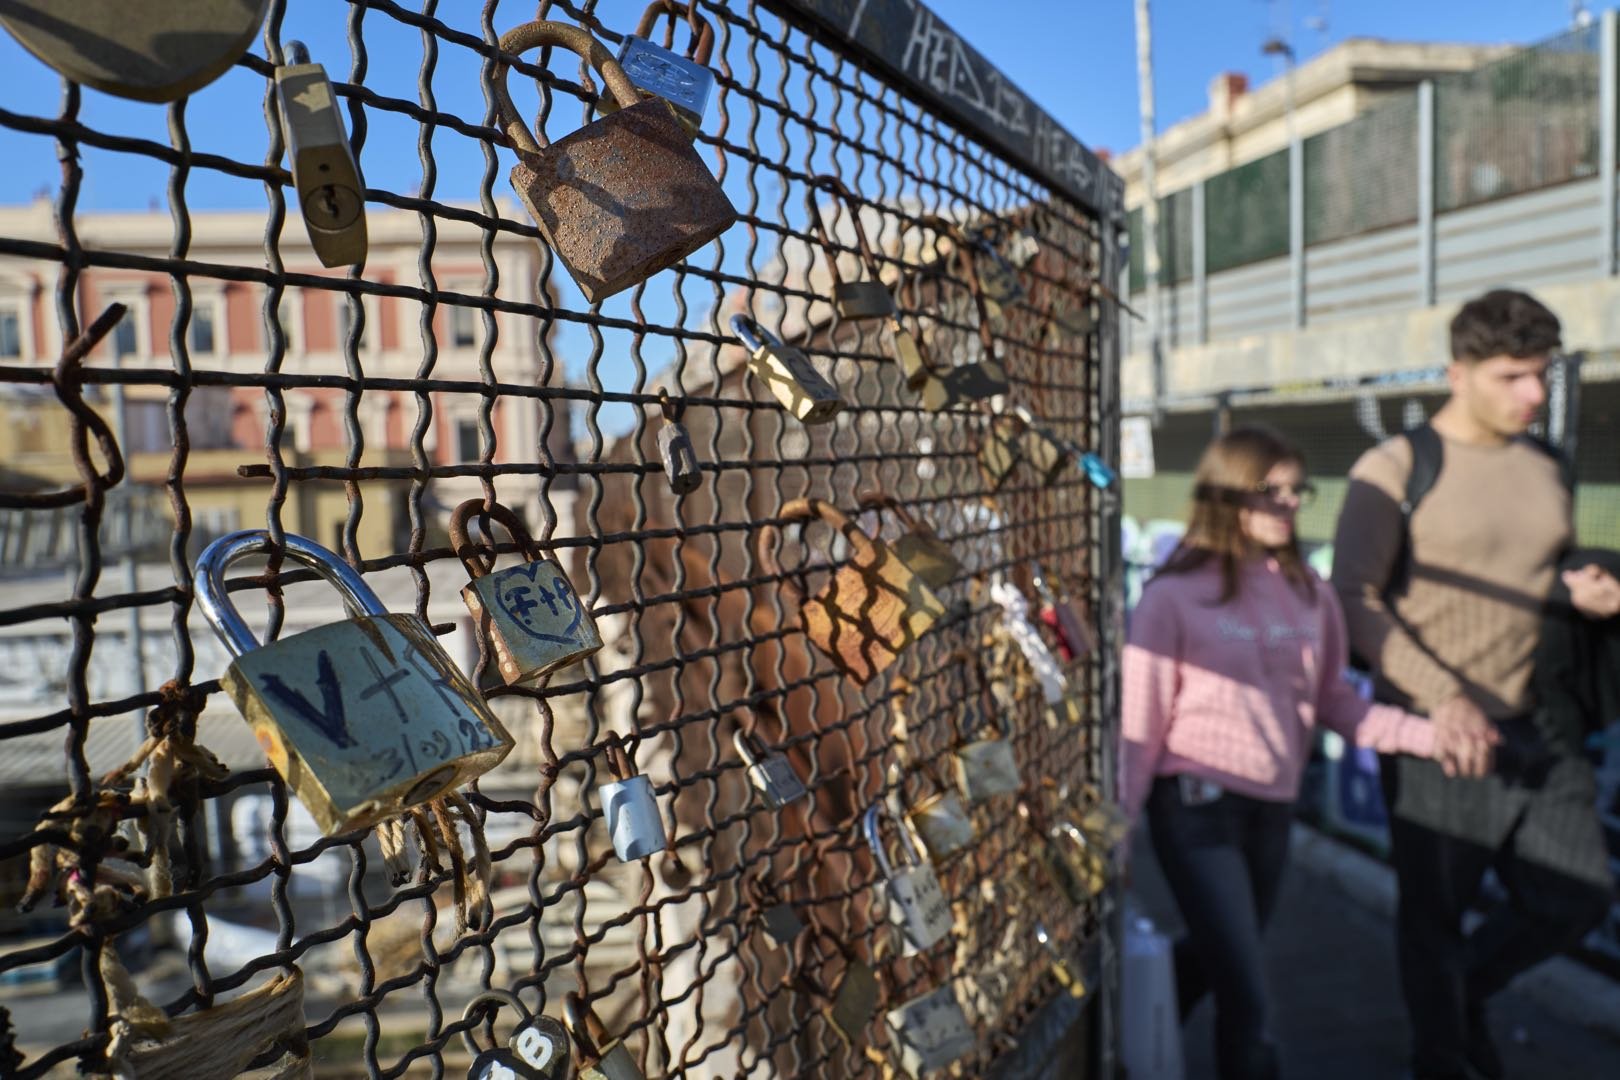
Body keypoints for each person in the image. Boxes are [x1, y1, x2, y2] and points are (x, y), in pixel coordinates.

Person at [1331, 288, 1618, 1080]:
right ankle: (1445, 1055)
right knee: (1435, 921)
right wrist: (1442, 698)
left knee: (1578, 899)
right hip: (1438, 735)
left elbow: (1534, 571)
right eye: (1514, 377)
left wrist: (1581, 588)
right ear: (1458, 373)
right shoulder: (1394, 467)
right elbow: (1352, 599)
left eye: (1543, 376)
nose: (1535, 394)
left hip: (1539, 726)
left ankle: (1464, 1001)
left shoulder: (1548, 465)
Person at [1121, 425, 1440, 1080]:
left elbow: (1334, 702)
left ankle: (1135, 1041)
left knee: (1222, 960)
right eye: (1272, 491)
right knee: (1249, 995)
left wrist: (1428, 735)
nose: (1290, 505)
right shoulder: (1171, 595)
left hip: (1273, 810)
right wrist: (1119, 826)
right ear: (1229, 494)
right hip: (1195, 811)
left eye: (1298, 491)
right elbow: (1140, 723)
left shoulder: (1311, 593)